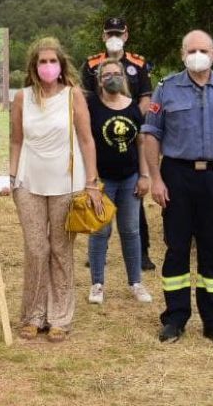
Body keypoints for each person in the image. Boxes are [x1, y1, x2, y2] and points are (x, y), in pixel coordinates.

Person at [143, 30, 213, 346]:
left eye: (203, 50)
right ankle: (175, 319)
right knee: (176, 249)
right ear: (182, 55)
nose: (197, 55)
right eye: (191, 50)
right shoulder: (166, 89)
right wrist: (156, 178)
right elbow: (151, 135)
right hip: (177, 176)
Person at [4, 37, 104, 343]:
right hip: (29, 183)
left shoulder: (73, 95)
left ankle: (60, 316)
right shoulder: (22, 97)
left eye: (52, 61)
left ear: (61, 65)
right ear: (33, 66)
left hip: (67, 183)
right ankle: (33, 315)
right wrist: (9, 176)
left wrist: (92, 183)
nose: (48, 66)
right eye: (42, 61)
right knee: (36, 249)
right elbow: (16, 140)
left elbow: (87, 140)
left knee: (61, 250)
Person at [82, 16, 157, 271]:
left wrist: (130, 116)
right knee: (98, 205)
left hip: (129, 132)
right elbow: (85, 99)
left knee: (134, 206)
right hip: (101, 135)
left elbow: (146, 97)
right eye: (109, 32)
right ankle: (96, 256)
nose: (114, 36)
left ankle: (142, 254)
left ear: (126, 35)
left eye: (119, 32)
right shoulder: (92, 63)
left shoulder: (139, 62)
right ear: (103, 36)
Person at [85, 59, 153, 305]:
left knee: (131, 231)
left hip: (129, 178)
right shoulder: (91, 105)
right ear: (99, 79)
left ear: (123, 77)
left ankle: (136, 282)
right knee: (100, 230)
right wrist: (90, 180)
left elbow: (141, 142)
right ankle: (97, 283)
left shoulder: (133, 106)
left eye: (116, 73)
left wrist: (145, 175)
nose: (111, 78)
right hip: (102, 179)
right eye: (106, 74)